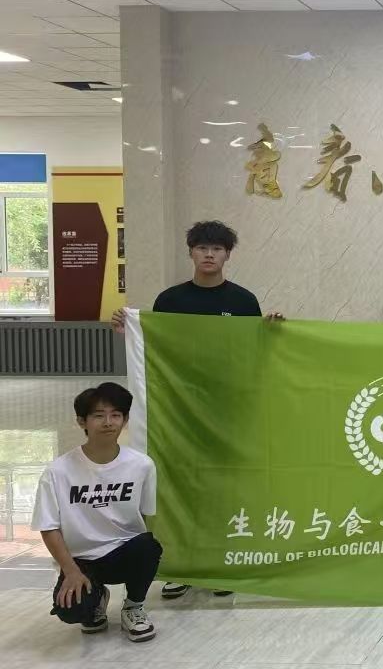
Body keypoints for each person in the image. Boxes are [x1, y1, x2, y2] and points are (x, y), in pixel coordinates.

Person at [111, 220, 277, 600]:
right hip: (179, 410)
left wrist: (272, 330)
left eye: (216, 249)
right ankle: (181, 564)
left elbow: (255, 353)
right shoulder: (170, 301)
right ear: (191, 253)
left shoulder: (243, 302)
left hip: (227, 409)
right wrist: (130, 328)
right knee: (181, 483)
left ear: (227, 255)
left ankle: (220, 564)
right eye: (202, 247)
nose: (209, 254)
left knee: (223, 486)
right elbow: (155, 348)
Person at [31, 383, 162, 642]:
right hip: (82, 560)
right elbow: (48, 526)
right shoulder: (58, 471)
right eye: (99, 415)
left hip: (122, 551)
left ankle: (133, 607)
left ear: (125, 420)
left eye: (116, 415)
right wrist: (70, 571)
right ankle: (97, 597)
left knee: (148, 547)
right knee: (72, 611)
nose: (108, 422)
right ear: (82, 421)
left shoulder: (142, 465)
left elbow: (144, 516)